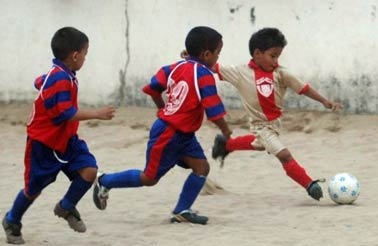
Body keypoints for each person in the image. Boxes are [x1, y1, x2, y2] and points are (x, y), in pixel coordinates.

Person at [92, 26, 232, 225]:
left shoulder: (174, 67)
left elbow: (152, 88)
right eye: (217, 54)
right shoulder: (204, 75)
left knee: (201, 167)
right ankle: (104, 181)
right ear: (207, 54)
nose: (218, 58)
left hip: (182, 134)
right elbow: (213, 109)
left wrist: (162, 108)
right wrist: (226, 131)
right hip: (169, 133)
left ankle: (181, 211)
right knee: (149, 178)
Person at [2, 27, 116, 244]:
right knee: (33, 189)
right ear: (75, 55)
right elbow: (66, 113)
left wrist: (43, 84)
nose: (85, 58)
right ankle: (12, 219)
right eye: (85, 54)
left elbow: (40, 81)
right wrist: (97, 114)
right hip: (44, 144)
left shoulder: (63, 74)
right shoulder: (60, 78)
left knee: (90, 170)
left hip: (67, 140)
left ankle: (66, 206)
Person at [209, 27, 343, 201]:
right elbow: (211, 65)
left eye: (278, 56)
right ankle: (310, 184)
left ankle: (226, 145)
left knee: (259, 145)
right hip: (260, 125)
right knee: (284, 155)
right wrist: (190, 57)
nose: (276, 61)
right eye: (273, 56)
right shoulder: (240, 73)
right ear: (257, 54)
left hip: (275, 124)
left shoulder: (281, 73)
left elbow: (304, 88)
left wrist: (325, 101)